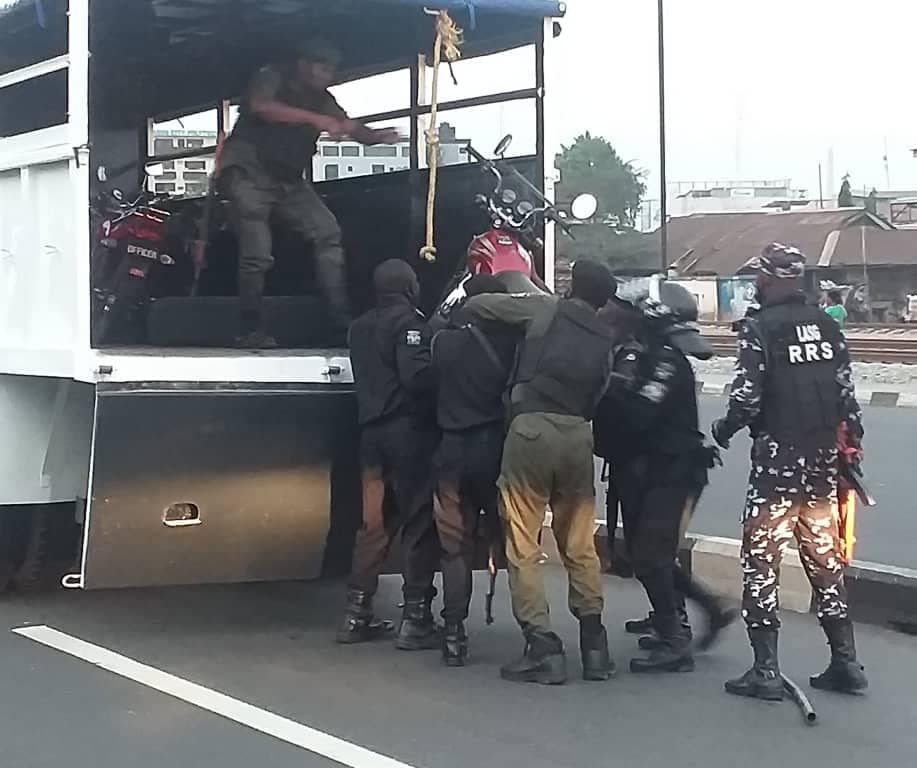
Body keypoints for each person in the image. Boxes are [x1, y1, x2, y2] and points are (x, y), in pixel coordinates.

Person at [711, 243, 868, 700]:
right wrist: (851, 454)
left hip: (776, 469)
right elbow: (847, 402)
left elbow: (746, 399)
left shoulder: (759, 329)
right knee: (824, 561)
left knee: (761, 563)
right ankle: (846, 662)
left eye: (760, 276)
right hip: (821, 466)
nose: (757, 283)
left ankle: (765, 672)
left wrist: (724, 428)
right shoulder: (828, 327)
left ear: (769, 278)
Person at [462, 260, 618, 685]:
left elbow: (483, 307)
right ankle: (595, 646)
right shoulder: (606, 337)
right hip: (578, 437)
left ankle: (543, 647)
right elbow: (600, 391)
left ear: (571, 286)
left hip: (531, 430)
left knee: (523, 541)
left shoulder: (545, 309)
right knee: (580, 544)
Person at [221, 39, 402, 348]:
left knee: (328, 233)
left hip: (288, 180)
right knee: (257, 256)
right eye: (322, 67)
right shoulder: (272, 76)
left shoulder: (323, 98)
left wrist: (375, 137)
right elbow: (262, 106)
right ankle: (249, 328)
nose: (326, 75)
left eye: (330, 69)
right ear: (303, 64)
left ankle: (340, 323)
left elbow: (348, 126)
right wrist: (314, 119)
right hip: (249, 173)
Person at [594, 282, 736, 674]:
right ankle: (704, 610)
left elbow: (640, 413)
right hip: (647, 469)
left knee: (651, 557)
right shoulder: (643, 355)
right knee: (648, 554)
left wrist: (604, 395)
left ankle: (677, 641)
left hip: (671, 471)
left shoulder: (666, 362)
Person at [336, 259, 441, 651]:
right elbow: (416, 378)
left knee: (372, 527)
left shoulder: (358, 327)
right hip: (407, 435)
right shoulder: (411, 325)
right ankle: (416, 619)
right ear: (409, 288)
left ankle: (355, 613)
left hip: (370, 437)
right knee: (417, 522)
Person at [430, 275, 520, 666]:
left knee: (454, 547)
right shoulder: (514, 344)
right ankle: (535, 635)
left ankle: (453, 634)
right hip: (495, 451)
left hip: (451, 451)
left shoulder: (444, 343)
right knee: (517, 545)